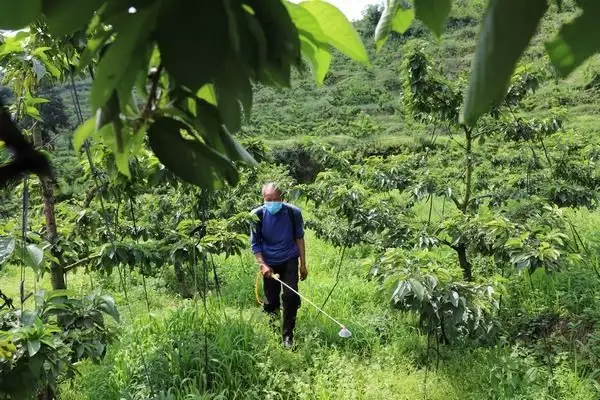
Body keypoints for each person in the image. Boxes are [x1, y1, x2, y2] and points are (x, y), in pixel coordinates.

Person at [250, 182, 308, 348]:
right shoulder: (257, 215)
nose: (272, 202)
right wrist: (263, 264)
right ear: (263, 198)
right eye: (268, 199)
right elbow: (255, 244)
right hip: (269, 263)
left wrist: (302, 263)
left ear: (282, 198)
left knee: (290, 296)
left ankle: (288, 336)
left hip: (289, 259)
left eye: (276, 199)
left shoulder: (293, 213)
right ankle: (272, 329)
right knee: (271, 302)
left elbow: (299, 238)